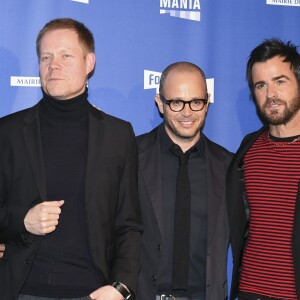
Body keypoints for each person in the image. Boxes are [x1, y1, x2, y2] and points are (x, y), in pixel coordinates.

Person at [0, 18, 142, 300]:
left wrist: (122, 287)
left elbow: (129, 224)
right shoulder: (8, 132)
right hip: (22, 290)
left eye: (66, 55)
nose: (54, 65)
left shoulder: (118, 134)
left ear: (89, 63)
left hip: (95, 292)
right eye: (46, 57)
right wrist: (22, 221)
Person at [136, 62, 233, 300]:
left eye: (196, 102)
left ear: (207, 102)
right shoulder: (131, 156)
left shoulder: (229, 165)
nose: (187, 112)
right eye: (176, 102)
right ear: (160, 103)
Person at [227, 38, 300, 299]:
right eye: (261, 85)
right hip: (250, 291)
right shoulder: (249, 149)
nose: (270, 94)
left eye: (280, 81)